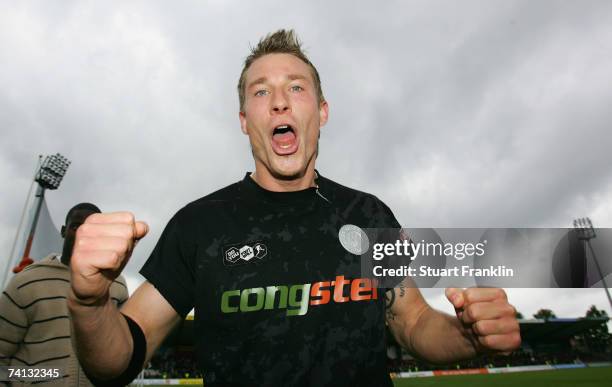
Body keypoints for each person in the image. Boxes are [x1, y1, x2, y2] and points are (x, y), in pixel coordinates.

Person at [67, 30, 521, 386]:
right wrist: (88, 302)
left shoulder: (370, 215)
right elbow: (118, 360)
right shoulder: (198, 225)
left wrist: (467, 335)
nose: (280, 100)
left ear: (321, 111)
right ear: (245, 121)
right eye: (261, 92)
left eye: (296, 87)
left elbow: (414, 321)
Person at [0, 203, 128, 386]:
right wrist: (43, 375)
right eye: (76, 227)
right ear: (63, 231)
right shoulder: (26, 282)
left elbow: (121, 353)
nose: (83, 234)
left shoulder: (116, 284)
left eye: (93, 229)